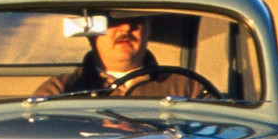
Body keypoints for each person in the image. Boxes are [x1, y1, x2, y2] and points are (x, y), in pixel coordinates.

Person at [33, 14, 208, 98]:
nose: (126, 29)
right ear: (91, 32)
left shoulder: (187, 88)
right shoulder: (60, 91)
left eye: (136, 20)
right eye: (113, 21)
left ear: (148, 29)